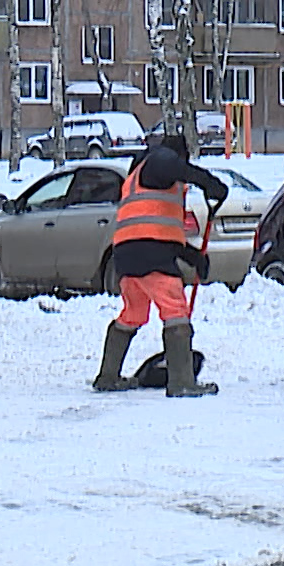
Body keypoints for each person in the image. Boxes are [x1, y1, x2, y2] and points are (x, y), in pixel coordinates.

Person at [92, 134, 229, 396]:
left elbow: (157, 229)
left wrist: (192, 256)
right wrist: (210, 183)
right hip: (150, 253)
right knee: (175, 310)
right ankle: (182, 382)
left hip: (126, 253)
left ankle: (108, 376)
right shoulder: (160, 159)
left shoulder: (139, 176)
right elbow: (172, 166)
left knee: (133, 313)